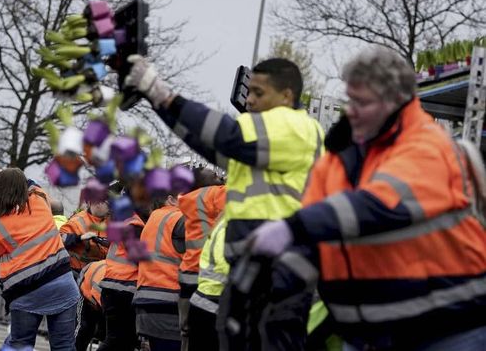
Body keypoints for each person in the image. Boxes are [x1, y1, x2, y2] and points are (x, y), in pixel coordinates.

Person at [249, 46, 486, 350]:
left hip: (449, 329)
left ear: (395, 102)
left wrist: (292, 227)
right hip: (370, 336)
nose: (351, 110)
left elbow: (382, 203)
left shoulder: (428, 144)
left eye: (363, 102)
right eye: (350, 99)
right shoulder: (335, 159)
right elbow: (315, 245)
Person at [125, 56, 324, 350]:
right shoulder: (267, 142)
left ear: (286, 96)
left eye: (259, 93)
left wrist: (161, 91)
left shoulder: (295, 125)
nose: (250, 100)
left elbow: (227, 136)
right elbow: (206, 140)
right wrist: (156, 98)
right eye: (250, 91)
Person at [0, 168, 78, 350]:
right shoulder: (39, 202)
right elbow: (32, 185)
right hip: (62, 286)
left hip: (27, 294)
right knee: (64, 347)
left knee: (20, 345)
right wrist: (3, 171)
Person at [176, 168, 226, 351]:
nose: (220, 177)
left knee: (188, 334)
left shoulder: (189, 199)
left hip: (188, 271)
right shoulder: (216, 193)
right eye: (214, 176)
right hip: (208, 274)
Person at [133, 194, 186, 351]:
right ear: (170, 199)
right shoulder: (178, 218)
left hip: (147, 301)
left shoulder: (153, 220)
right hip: (169, 303)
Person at [99, 209, 148, 351]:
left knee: (120, 341)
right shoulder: (134, 225)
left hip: (113, 287)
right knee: (119, 340)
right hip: (124, 288)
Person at [60, 197, 110, 276]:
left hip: (101, 271)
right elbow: (59, 240)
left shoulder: (110, 221)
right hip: (79, 272)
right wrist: (79, 238)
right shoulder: (76, 222)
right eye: (109, 204)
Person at [76, 260, 107, 351]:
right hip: (84, 290)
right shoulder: (100, 287)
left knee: (108, 333)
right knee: (83, 328)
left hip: (101, 298)